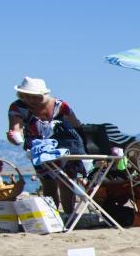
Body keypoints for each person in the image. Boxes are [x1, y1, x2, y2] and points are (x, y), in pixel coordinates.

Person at [7, 76, 86, 214]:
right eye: (26, 96)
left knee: (66, 180)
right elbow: (16, 128)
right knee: (48, 181)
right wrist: (14, 137)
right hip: (39, 150)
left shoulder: (60, 106)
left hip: (65, 146)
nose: (30, 100)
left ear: (42, 94)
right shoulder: (18, 107)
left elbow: (76, 125)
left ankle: (69, 214)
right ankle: (52, 215)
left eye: (34, 97)